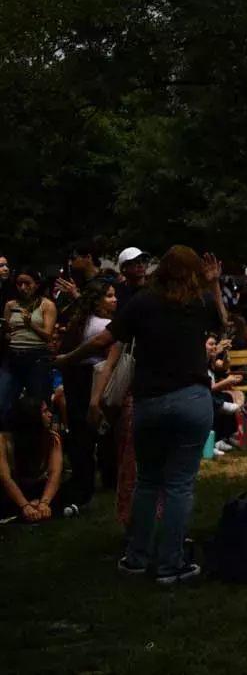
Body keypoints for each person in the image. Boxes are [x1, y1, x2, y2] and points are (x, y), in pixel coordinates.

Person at [57, 247, 227, 583]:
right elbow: (221, 322)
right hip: (192, 399)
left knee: (147, 481)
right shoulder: (200, 302)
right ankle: (170, 564)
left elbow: (103, 341)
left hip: (150, 402)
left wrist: (68, 358)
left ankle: (136, 558)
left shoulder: (143, 302)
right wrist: (214, 285)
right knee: (179, 485)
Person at [58, 279, 118, 505]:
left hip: (76, 377)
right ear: (97, 302)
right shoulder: (104, 326)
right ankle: (109, 478)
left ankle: (83, 479)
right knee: (103, 432)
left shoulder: (80, 322)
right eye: (109, 296)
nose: (115, 299)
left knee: (80, 433)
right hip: (95, 377)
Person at [0, 268, 58, 426]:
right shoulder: (11, 305)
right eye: (19, 284)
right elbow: (6, 330)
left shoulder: (46, 305)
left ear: (36, 285)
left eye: (27, 283)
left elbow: (48, 335)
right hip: (13, 357)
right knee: (3, 401)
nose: (23, 287)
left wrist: (31, 324)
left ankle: (42, 443)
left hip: (36, 358)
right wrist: (5, 332)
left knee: (38, 404)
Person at [0, 397, 72, 520]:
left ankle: (36, 504)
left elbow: (55, 474)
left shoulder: (52, 439)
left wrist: (44, 503)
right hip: (12, 490)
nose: (50, 415)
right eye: (44, 412)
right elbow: (5, 478)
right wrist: (25, 505)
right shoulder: (4, 441)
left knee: (63, 494)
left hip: (37, 487)